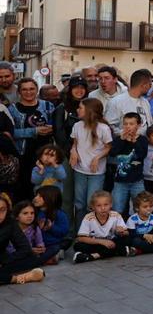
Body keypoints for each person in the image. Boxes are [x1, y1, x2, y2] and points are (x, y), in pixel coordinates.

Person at [10, 78, 56, 201]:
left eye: (31, 89)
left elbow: (57, 126)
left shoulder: (48, 106)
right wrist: (34, 131)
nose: (28, 92)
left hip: (45, 155)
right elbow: (10, 133)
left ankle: (42, 218)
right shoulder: (13, 109)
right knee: (24, 189)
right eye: (24, 89)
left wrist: (52, 128)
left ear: (36, 90)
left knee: (45, 190)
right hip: (22, 155)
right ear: (19, 92)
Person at [70, 98, 112, 219]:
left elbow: (108, 147)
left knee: (92, 203)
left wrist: (97, 157)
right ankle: (80, 232)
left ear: (89, 111)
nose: (77, 110)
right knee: (79, 204)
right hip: (80, 170)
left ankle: (91, 232)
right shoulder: (77, 126)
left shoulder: (103, 128)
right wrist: (73, 151)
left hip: (96, 172)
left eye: (80, 108)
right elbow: (75, 143)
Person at [53, 76, 88, 221]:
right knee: (67, 196)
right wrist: (71, 152)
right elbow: (59, 134)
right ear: (70, 89)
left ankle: (82, 230)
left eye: (82, 87)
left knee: (82, 198)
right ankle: (67, 231)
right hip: (67, 157)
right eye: (76, 87)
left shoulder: (90, 107)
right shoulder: (62, 108)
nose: (79, 91)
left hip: (86, 156)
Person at [72, 190, 129, 263]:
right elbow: (81, 238)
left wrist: (122, 232)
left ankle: (91, 256)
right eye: (99, 205)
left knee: (126, 240)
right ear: (93, 207)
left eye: (106, 205)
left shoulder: (116, 215)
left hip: (111, 243)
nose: (103, 208)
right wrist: (102, 242)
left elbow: (127, 233)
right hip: (96, 243)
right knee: (78, 245)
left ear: (111, 205)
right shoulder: (89, 218)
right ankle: (118, 251)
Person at [109, 113, 148, 216]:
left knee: (141, 208)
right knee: (117, 208)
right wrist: (122, 140)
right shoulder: (119, 139)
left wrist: (134, 141)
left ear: (138, 125)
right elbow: (112, 153)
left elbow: (142, 155)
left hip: (137, 181)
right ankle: (117, 230)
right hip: (120, 181)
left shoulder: (142, 140)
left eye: (131, 124)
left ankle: (140, 230)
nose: (128, 126)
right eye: (125, 124)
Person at [0, 194, 43, 284]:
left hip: (3, 261)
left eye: (2, 210)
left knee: (32, 259)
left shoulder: (10, 223)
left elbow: (24, 248)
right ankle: (21, 278)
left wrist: (4, 261)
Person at [104, 68, 153, 134]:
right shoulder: (116, 102)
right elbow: (108, 126)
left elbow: (149, 125)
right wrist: (125, 133)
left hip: (143, 143)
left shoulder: (145, 102)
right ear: (143, 85)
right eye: (150, 84)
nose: (151, 87)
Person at [34, 186, 69, 264]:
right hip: (37, 244)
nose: (36, 198)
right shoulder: (34, 212)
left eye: (40, 196)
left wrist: (51, 227)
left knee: (57, 247)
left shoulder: (60, 214)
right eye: (36, 195)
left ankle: (39, 260)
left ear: (50, 198)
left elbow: (64, 231)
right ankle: (48, 259)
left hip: (52, 244)